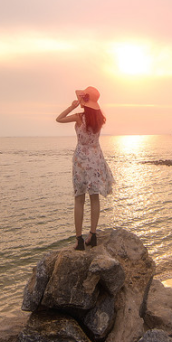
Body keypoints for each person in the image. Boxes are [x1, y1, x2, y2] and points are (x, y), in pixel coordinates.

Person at [56, 86, 115, 250]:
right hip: (96, 159)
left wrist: (72, 106)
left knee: (79, 199)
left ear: (84, 101)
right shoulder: (100, 118)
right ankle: (93, 235)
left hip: (81, 160)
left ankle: (79, 240)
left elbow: (58, 119)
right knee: (94, 198)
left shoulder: (78, 117)